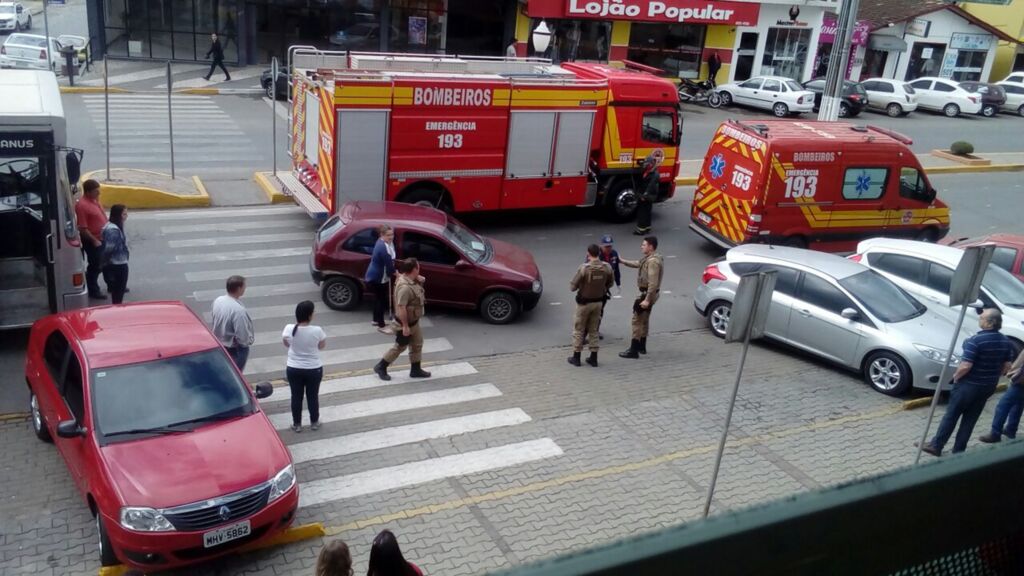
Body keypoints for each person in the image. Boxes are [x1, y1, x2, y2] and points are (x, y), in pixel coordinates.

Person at [919, 309, 1015, 456]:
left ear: (990, 322)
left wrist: (956, 377)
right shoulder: (1005, 341)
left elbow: (966, 365)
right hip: (987, 387)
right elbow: (1007, 367)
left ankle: (936, 445)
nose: (979, 319)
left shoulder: (975, 341)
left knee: (951, 415)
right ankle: (959, 451)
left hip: (968, 386)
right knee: (970, 419)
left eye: (982, 318)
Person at [374, 259, 431, 381]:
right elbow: (401, 308)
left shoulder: (410, 279)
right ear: (414, 269)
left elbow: (414, 281)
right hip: (405, 324)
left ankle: (415, 370)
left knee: (417, 345)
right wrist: (405, 326)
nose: (419, 269)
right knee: (400, 346)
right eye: (418, 267)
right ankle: (381, 366)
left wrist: (420, 279)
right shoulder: (404, 287)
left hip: (414, 323)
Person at [283, 300, 326, 433]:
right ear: (309, 315)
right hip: (313, 369)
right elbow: (321, 346)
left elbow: (286, 344)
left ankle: (297, 424)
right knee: (312, 396)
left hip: (293, 368)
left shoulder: (289, 328)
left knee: (296, 396)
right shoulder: (317, 330)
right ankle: (314, 422)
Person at [569, 244, 614, 367]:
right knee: (594, 330)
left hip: (584, 303)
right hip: (598, 302)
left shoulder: (584, 268)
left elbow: (572, 287)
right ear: (599, 253)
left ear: (588, 253)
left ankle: (576, 357)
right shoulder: (606, 267)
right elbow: (611, 283)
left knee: (579, 329)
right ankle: (593, 357)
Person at [619, 236, 663, 359]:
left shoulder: (653, 262)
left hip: (646, 295)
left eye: (644, 244)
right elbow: (638, 263)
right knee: (644, 319)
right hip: (649, 294)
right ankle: (642, 346)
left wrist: (647, 300)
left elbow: (653, 283)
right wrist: (623, 261)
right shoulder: (651, 259)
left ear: (650, 247)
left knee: (636, 320)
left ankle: (634, 350)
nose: (641, 246)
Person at [211, 275, 255, 371]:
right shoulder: (238, 311)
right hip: (234, 349)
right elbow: (242, 337)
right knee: (236, 373)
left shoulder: (218, 300)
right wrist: (248, 341)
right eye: (244, 287)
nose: (245, 289)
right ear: (239, 288)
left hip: (220, 344)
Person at [979, 348, 1024, 443]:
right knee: (1018, 404)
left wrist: (1015, 376)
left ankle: (995, 434)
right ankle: (1010, 430)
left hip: (1020, 382)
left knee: (1003, 405)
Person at [75, 179, 107, 299]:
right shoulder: (82, 205)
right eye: (95, 191)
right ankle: (93, 290)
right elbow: (83, 228)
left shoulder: (94, 201)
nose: (98, 193)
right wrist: (94, 240)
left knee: (106, 263)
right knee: (95, 266)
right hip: (94, 241)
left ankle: (112, 284)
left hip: (103, 238)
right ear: (88, 192)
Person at [365, 225, 397, 333]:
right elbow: (389, 267)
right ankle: (381, 325)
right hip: (378, 278)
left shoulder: (382, 242)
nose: (391, 237)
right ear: (381, 235)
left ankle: (375, 320)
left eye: (392, 234)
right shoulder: (384, 248)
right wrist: (396, 274)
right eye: (388, 235)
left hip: (374, 275)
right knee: (381, 301)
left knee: (378, 299)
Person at [100, 204, 129, 304]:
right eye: (124, 214)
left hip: (116, 263)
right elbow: (109, 249)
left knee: (118, 291)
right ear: (118, 215)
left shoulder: (112, 227)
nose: (126, 216)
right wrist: (105, 264)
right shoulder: (113, 230)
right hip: (117, 264)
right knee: (118, 292)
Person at [633, 149, 664, 236]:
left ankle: (641, 229)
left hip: (647, 196)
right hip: (646, 195)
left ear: (651, 164)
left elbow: (651, 186)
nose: (645, 165)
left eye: (647, 164)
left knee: (642, 212)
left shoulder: (654, 174)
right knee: (647, 211)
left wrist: (644, 196)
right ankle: (647, 227)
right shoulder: (649, 171)